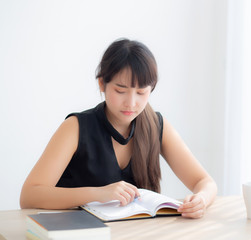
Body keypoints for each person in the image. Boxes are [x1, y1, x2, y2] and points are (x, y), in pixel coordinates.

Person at [20, 38, 217, 219]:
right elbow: (29, 195)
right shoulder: (76, 127)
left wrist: (201, 200)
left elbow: (205, 182)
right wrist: (99, 193)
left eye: (141, 92)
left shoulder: (157, 126)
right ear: (102, 84)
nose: (131, 103)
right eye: (120, 90)